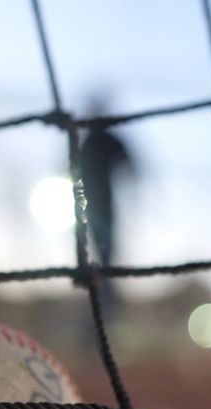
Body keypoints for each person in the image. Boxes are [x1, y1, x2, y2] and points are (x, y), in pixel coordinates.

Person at [78, 116, 132, 315]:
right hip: (91, 205)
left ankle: (107, 302)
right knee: (101, 253)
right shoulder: (90, 140)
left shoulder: (101, 139)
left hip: (101, 204)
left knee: (105, 253)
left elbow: (127, 162)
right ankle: (103, 301)